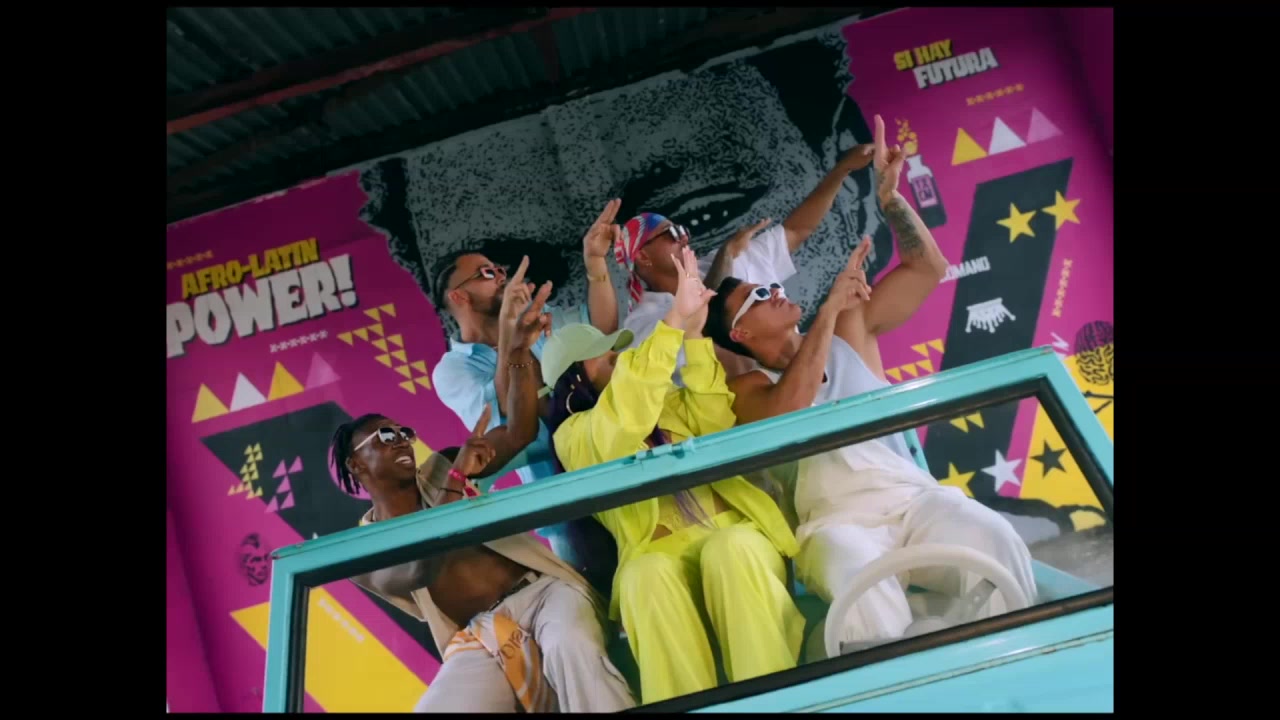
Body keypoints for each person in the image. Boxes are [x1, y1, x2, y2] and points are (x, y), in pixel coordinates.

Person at [702, 115, 1035, 651]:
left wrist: (891, 201)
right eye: (757, 295)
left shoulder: (847, 332)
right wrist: (829, 311)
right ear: (739, 333)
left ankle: (1021, 662)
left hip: (914, 502)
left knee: (993, 537)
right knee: (862, 584)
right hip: (835, 526)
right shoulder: (746, 391)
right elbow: (792, 409)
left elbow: (927, 269)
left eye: (771, 286)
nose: (775, 291)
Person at [339, 282, 635, 713]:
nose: (401, 441)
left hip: (544, 594)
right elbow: (418, 569)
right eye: (386, 436)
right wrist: (457, 481)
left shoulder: (440, 468)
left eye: (404, 432)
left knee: (572, 648)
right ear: (355, 465)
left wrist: (516, 352)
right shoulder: (363, 546)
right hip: (481, 634)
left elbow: (519, 431)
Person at [543, 246, 803, 704]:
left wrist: (696, 336)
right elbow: (625, 417)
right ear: (575, 380)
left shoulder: (665, 399)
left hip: (731, 530)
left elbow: (716, 419)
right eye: (605, 358)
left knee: (732, 547)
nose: (620, 359)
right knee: (643, 576)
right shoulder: (574, 436)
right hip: (653, 554)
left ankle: (777, 705)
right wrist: (673, 323)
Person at [429, 206, 623, 578]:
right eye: (487, 273)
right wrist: (509, 331)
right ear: (459, 297)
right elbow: (511, 416)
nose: (502, 276)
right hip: (567, 509)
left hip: (612, 469)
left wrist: (595, 263)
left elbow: (602, 335)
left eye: (500, 270)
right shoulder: (452, 370)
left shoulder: (537, 315)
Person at [612, 146, 879, 384]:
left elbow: (797, 230)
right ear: (642, 256)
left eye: (682, 230)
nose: (684, 238)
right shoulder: (643, 322)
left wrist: (842, 170)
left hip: (817, 378)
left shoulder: (727, 257)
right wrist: (725, 258)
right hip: (757, 409)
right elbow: (703, 327)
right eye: (671, 234)